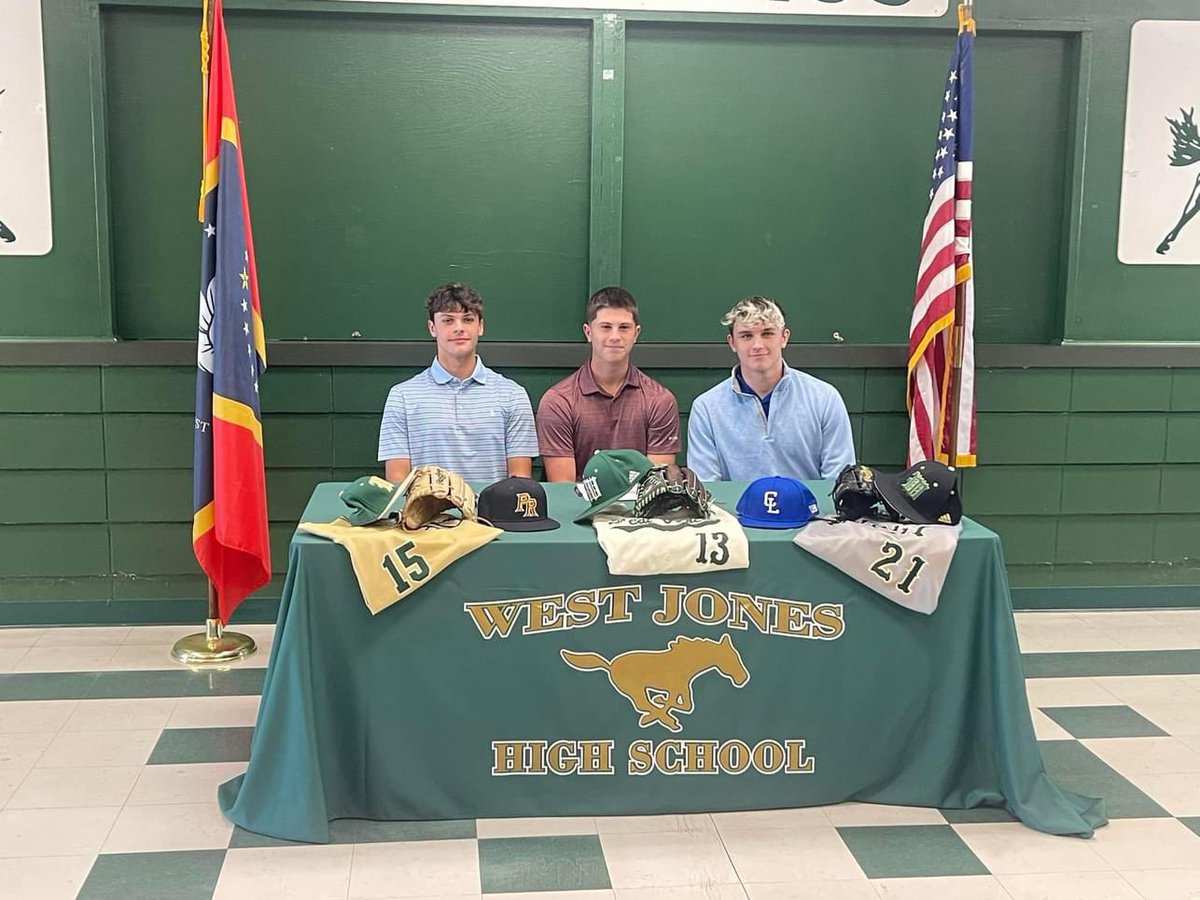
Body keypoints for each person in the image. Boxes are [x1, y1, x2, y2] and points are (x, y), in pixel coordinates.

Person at [378, 283, 537, 483]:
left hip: (491, 505)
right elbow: (397, 481)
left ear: (480, 327)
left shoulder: (513, 395)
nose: (459, 328)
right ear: (432, 328)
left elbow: (520, 481)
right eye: (448, 320)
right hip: (425, 504)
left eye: (468, 319)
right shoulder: (402, 397)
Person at [687, 296, 855, 482]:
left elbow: (838, 481)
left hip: (810, 503)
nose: (757, 345)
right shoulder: (706, 408)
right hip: (734, 504)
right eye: (746, 336)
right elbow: (707, 487)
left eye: (767, 333)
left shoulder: (825, 399)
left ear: (784, 337)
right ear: (732, 342)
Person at [537, 287, 680, 482]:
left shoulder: (660, 401)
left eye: (624, 327)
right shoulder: (558, 402)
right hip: (578, 501)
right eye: (605, 327)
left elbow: (656, 485)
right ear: (588, 332)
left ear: (636, 333)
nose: (615, 336)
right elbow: (564, 488)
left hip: (642, 502)